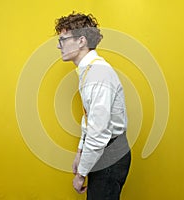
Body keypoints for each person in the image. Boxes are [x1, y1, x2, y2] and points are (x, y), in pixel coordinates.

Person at [55, 12, 131, 200]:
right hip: (104, 152)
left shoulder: (97, 74)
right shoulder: (89, 71)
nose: (59, 46)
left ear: (81, 41)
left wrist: (81, 175)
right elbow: (89, 118)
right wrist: (80, 153)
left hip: (109, 153)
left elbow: (99, 132)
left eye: (63, 39)